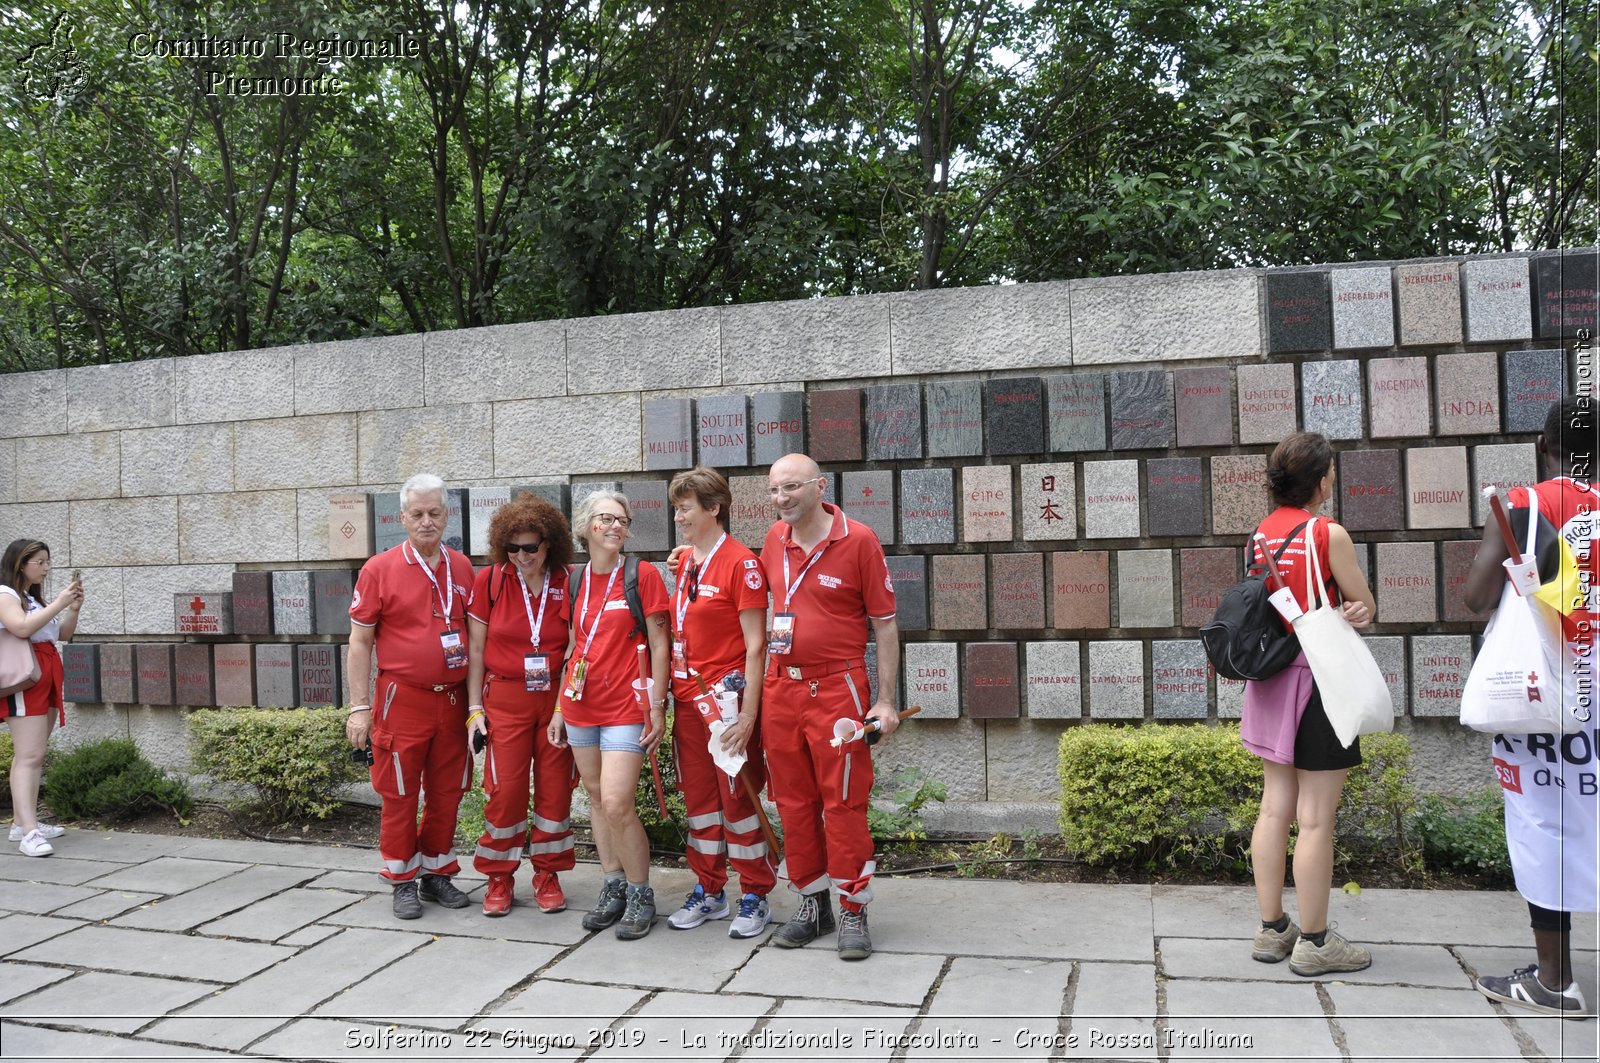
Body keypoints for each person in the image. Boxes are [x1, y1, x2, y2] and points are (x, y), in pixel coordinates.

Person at [1464, 395, 1597, 1018]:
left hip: (1540, 694)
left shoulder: (1520, 506)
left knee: (1544, 824)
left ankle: (1554, 979)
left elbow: (1475, 595)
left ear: (1544, 447)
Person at [1240, 432, 1377, 977]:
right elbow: (1362, 603)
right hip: (1319, 680)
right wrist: (1359, 610)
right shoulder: (1328, 533)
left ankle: (1273, 929)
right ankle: (1317, 942)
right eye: (1332, 472)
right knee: (1316, 818)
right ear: (1321, 481)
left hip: (1271, 680)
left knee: (1275, 806)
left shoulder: (1261, 534)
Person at [759, 453, 899, 960]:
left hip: (838, 690)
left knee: (842, 802)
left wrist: (884, 701)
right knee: (793, 801)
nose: (781, 499)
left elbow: (884, 625)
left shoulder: (858, 540)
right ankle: (812, 902)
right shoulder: (774, 540)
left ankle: (853, 908)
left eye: (791, 488)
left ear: (820, 487)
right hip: (781, 688)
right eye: (774, 491)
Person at [346, 474, 476, 920]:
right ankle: (402, 879)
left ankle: (436, 872)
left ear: (446, 515)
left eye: (434, 513)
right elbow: (360, 642)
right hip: (402, 699)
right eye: (417, 514)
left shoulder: (461, 567)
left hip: (453, 700)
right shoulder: (378, 569)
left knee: (447, 790)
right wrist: (359, 707)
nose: (426, 521)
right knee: (400, 791)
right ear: (402, 518)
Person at [549, 490, 671, 940]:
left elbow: (661, 646)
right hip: (581, 707)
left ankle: (641, 893)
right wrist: (561, 705)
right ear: (586, 528)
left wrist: (657, 705)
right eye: (606, 519)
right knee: (597, 800)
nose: (616, 526)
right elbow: (572, 647)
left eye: (623, 519)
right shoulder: (576, 581)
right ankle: (613, 884)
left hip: (626, 707)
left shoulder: (642, 576)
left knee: (618, 802)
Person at [664, 467, 775, 938]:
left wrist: (749, 713)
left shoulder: (741, 563)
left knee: (737, 800)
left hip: (727, 707)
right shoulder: (687, 560)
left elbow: (757, 645)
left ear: (714, 508)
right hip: (689, 703)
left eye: (685, 507)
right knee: (701, 804)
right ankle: (710, 891)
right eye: (676, 508)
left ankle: (755, 894)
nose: (678, 516)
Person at [465, 492, 577, 917]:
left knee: (555, 793)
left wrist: (564, 707)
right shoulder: (491, 581)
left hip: (553, 697)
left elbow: (573, 650)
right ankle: (499, 875)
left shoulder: (567, 581)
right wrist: (475, 710)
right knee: (504, 791)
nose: (521, 556)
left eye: (531, 547)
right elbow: (476, 652)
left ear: (549, 544)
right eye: (512, 548)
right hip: (505, 699)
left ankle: (547, 872)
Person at [1, 541, 81, 857]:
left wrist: (72, 609)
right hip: (27, 675)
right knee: (29, 755)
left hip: (45, 672)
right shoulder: (6, 594)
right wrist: (60, 602)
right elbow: (20, 629)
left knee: (34, 753)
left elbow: (61, 634)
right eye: (40, 562)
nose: (46, 568)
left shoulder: (32, 599)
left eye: (48, 561)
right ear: (21, 564)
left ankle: (23, 822)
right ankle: (29, 832)